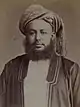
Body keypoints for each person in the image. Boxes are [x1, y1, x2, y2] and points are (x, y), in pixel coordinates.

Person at [0, 4, 80, 107]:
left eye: (43, 32)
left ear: (52, 36)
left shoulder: (70, 70)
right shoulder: (11, 68)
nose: (38, 38)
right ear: (26, 36)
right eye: (32, 33)